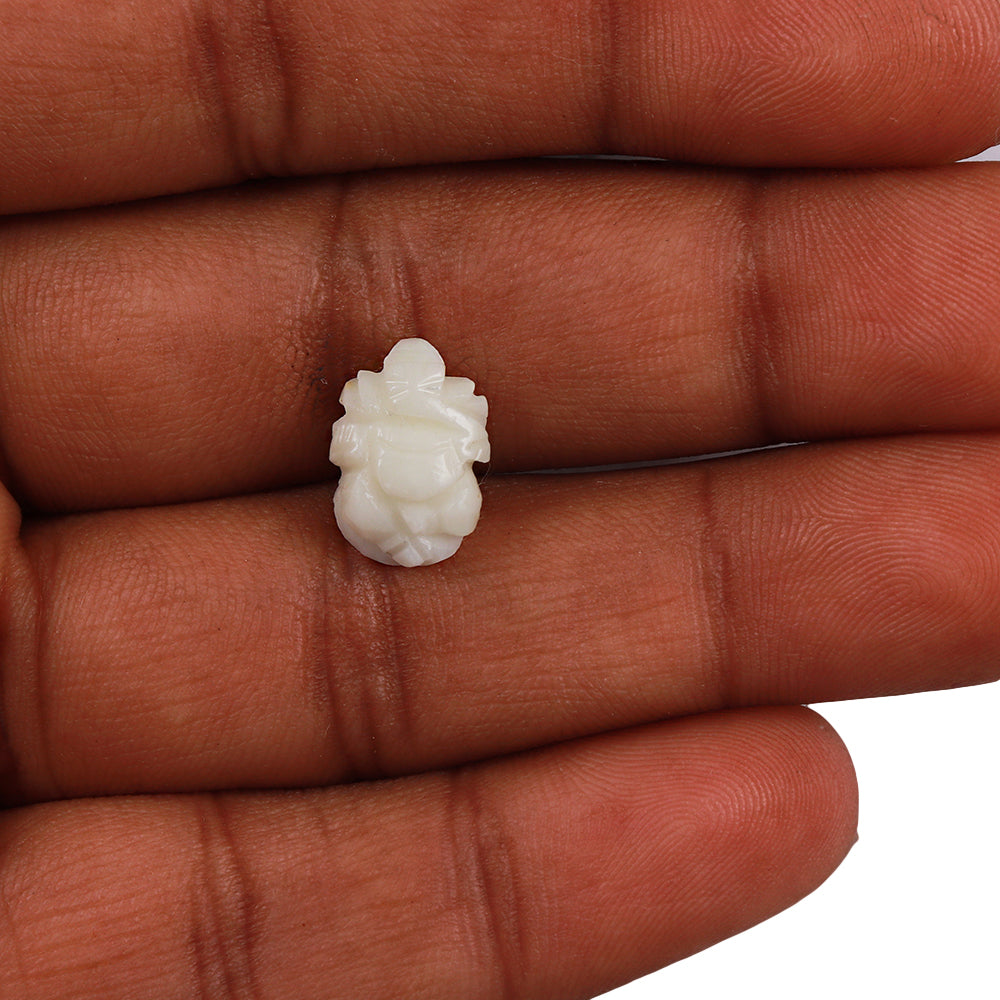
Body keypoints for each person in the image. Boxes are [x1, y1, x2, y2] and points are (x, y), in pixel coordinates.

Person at [1, 1, 998, 996]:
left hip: (430, 496)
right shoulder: (368, 412)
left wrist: (433, 443)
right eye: (402, 373)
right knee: (379, 518)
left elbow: (465, 445)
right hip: (383, 499)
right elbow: (353, 444)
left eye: (420, 373)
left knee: (432, 517)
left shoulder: (450, 411)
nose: (411, 377)